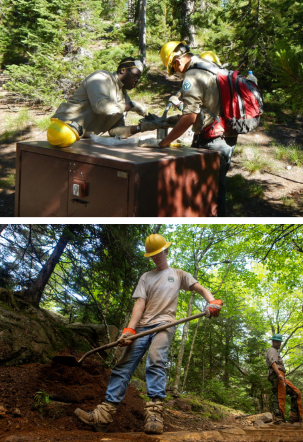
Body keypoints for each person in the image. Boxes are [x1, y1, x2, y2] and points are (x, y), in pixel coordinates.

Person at [74, 234, 223, 434]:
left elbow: (200, 288)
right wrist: (129, 329)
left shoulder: (179, 274)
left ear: (166, 251)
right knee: (123, 365)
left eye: (159, 253)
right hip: (143, 326)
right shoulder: (146, 276)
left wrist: (212, 302)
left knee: (155, 358)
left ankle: (154, 414)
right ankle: (103, 416)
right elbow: (140, 303)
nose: (156, 257)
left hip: (166, 323)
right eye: (152, 255)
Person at [158, 41, 238, 216]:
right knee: (217, 190)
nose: (177, 73)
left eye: (173, 69)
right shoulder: (212, 67)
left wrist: (165, 142)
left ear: (176, 61)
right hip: (228, 137)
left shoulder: (193, 75)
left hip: (212, 140)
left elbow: (189, 117)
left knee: (208, 196)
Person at [47, 58, 164, 147]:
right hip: (62, 130)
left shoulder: (124, 97)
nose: (136, 81)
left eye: (139, 78)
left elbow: (115, 131)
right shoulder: (101, 78)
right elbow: (101, 107)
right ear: (123, 70)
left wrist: (141, 127)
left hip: (82, 140)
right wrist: (132, 106)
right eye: (135, 76)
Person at [266, 334, 303, 423]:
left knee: (295, 392)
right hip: (277, 375)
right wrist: (279, 374)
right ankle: (278, 419)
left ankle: (294, 417)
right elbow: (273, 363)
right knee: (279, 395)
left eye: (279, 342)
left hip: (279, 375)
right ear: (273, 342)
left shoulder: (275, 351)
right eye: (277, 342)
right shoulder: (272, 350)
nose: (278, 343)